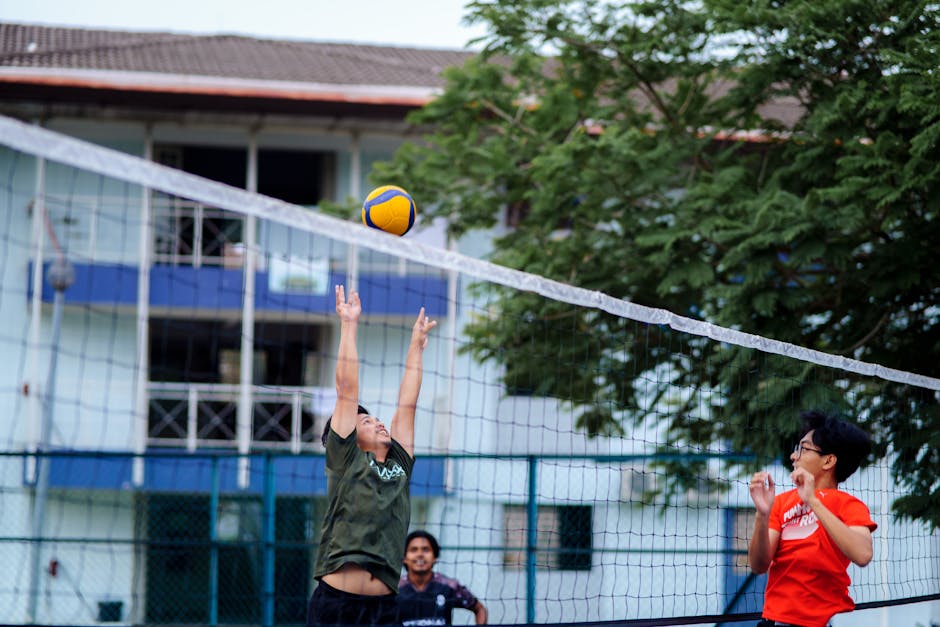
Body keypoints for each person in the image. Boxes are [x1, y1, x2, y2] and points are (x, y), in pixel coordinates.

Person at [307, 285, 437, 626]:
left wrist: (415, 348)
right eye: (367, 420)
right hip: (336, 604)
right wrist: (349, 324)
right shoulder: (345, 459)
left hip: (384, 608)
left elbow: (406, 404)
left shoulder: (399, 464)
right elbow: (347, 391)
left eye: (377, 419)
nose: (378, 422)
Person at [748, 410, 877, 627]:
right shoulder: (780, 502)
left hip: (819, 622)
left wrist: (813, 501)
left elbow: (863, 555)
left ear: (828, 461)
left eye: (803, 449)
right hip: (774, 621)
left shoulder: (848, 505)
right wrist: (762, 515)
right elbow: (758, 565)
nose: (793, 456)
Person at [397, 530, 488, 626]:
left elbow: (480, 609)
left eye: (426, 550)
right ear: (404, 558)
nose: (420, 554)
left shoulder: (449, 586)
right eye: (414, 550)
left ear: (435, 557)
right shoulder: (395, 589)